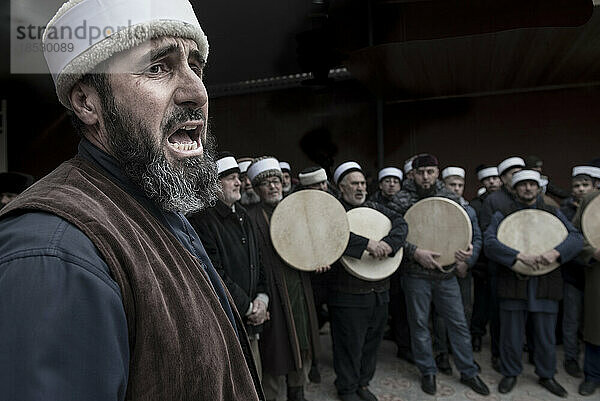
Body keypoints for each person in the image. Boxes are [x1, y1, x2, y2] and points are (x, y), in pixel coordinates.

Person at [0, 1, 263, 400]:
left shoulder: (156, 204)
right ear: (88, 103)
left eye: (196, 65)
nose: (196, 92)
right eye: (158, 67)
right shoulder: (54, 252)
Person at [388, 154, 489, 396]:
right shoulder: (400, 200)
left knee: (458, 323)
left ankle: (468, 372)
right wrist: (415, 252)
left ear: (437, 172)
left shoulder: (449, 197)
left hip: (446, 275)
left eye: (430, 172)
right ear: (413, 174)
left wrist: (467, 250)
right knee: (420, 324)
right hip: (415, 274)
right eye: (421, 172)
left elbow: (462, 228)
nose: (426, 177)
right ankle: (428, 371)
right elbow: (392, 235)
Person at [484, 169, 583, 398]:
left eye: (532, 184)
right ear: (514, 188)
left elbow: (576, 239)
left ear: (539, 188)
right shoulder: (503, 214)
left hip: (546, 282)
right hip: (513, 282)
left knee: (545, 335)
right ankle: (510, 373)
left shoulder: (553, 212)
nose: (528, 188)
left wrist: (556, 253)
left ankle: (547, 374)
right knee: (511, 334)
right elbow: (489, 243)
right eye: (522, 184)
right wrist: (517, 255)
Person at [329, 161, 408, 401]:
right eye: (354, 183)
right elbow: (332, 233)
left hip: (379, 291)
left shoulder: (376, 208)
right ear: (341, 187)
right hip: (348, 294)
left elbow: (402, 225)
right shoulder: (333, 212)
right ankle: (347, 388)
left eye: (363, 183)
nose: (360, 188)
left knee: (371, 342)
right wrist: (366, 243)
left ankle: (363, 383)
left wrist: (388, 244)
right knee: (349, 344)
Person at [188, 152, 269, 379]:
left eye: (238, 177)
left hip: (252, 317)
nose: (239, 183)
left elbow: (259, 264)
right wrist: (248, 308)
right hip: (228, 322)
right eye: (231, 178)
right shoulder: (202, 220)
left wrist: (262, 299)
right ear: (214, 184)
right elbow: (214, 274)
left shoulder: (243, 215)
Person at [245, 157, 321, 401]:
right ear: (257, 189)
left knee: (302, 340)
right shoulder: (251, 218)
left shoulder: (295, 211)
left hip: (298, 286)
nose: (273, 187)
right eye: (266, 183)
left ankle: (298, 392)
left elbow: (311, 243)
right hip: (272, 293)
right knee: (275, 348)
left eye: (276, 181)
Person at [432, 166, 482, 374]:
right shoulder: (435, 208)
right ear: (444, 185)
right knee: (442, 314)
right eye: (452, 185)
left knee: (464, 312)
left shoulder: (469, 210)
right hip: (440, 270)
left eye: (460, 185)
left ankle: (461, 353)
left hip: (462, 271)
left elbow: (477, 239)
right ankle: (442, 352)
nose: (457, 189)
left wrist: (466, 263)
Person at [479, 156, 525, 371]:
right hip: (502, 267)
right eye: (512, 174)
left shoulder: (530, 196)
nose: (518, 178)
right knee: (499, 315)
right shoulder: (494, 201)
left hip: (531, 265)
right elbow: (489, 235)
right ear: (503, 178)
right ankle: (498, 354)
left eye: (520, 172)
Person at [559, 166, 597, 378]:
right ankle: (571, 358)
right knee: (571, 320)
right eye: (577, 186)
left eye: (585, 185)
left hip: (595, 278)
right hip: (573, 275)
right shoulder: (565, 212)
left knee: (592, 322)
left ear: (594, 187)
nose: (581, 189)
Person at [469, 165, 501, 352]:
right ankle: (477, 335)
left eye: (495, 179)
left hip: (500, 263)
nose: (492, 182)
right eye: (488, 179)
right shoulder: (476, 204)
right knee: (480, 303)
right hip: (482, 263)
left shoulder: (506, 201)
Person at [572, 190, 600, 396]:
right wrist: (593, 252)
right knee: (596, 327)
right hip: (598, 273)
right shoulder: (591, 199)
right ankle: (592, 375)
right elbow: (575, 235)